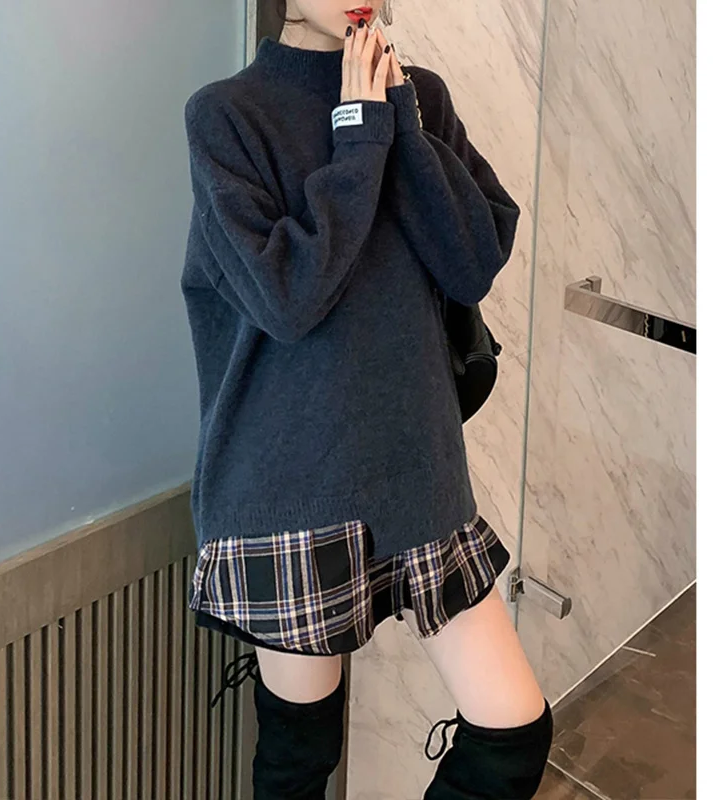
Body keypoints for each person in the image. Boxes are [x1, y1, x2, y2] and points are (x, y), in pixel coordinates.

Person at [180, 1, 553, 797]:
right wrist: (357, 135)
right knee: (301, 755)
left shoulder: (422, 97)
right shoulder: (226, 115)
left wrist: (397, 118)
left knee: (513, 735)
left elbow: (472, 263)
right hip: (292, 485)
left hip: (418, 475)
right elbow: (286, 300)